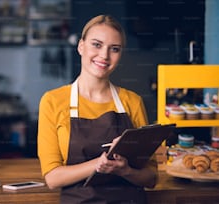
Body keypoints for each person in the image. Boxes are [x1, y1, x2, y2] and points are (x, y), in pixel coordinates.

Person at [37, 14, 158, 204]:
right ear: (81, 46)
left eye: (114, 49)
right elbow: (53, 178)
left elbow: (151, 178)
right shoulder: (53, 101)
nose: (104, 55)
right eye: (97, 44)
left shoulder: (132, 101)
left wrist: (126, 170)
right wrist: (100, 164)